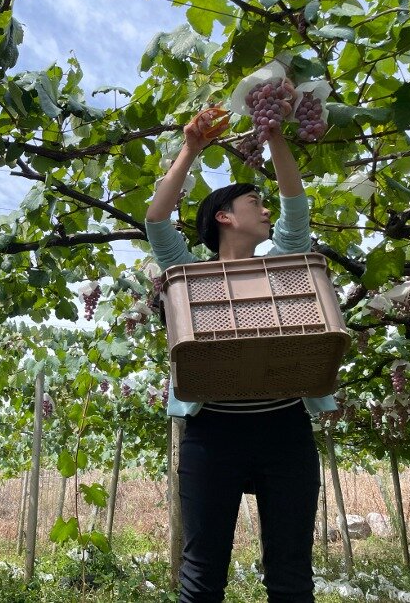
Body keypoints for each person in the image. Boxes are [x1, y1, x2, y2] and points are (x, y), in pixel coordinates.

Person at [145, 101, 337, 603]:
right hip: (213, 436)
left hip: (286, 430)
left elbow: (297, 208)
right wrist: (191, 148)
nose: (267, 209)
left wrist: (273, 136)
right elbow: (158, 223)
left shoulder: (284, 260)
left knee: (291, 574)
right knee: (202, 574)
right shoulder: (193, 275)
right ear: (225, 216)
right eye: (256, 202)